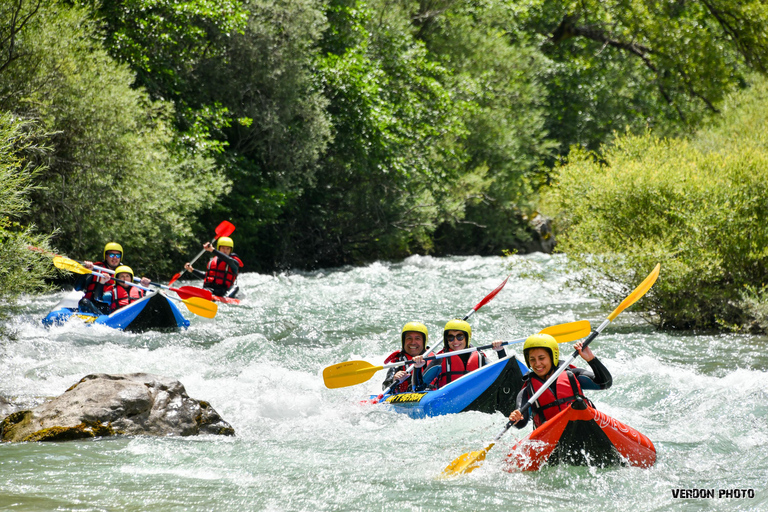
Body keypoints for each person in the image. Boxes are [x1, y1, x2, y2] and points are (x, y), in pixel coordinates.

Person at [507, 333, 612, 429]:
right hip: (553, 436)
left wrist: (591, 359)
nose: (537, 363)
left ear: (553, 357)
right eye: (532, 359)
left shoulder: (571, 375)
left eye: (541, 358)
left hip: (585, 426)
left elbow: (605, 383)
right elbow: (521, 423)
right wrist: (516, 418)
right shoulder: (527, 391)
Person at [414, 319, 505, 389]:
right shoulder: (441, 358)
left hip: (474, 397)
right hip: (448, 401)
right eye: (451, 337)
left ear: (467, 338)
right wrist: (417, 368)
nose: (455, 341)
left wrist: (500, 350)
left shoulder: (480, 356)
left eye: (460, 337)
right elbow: (419, 387)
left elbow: (502, 374)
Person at [381, 322, 435, 393]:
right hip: (404, 400)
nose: (413, 342)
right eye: (409, 338)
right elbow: (385, 386)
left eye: (417, 338)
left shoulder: (434, 359)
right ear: (404, 341)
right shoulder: (399, 361)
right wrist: (394, 380)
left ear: (424, 341)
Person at [75, 242, 124, 314]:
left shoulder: (124, 273)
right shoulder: (95, 269)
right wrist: (85, 272)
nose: (115, 258)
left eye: (117, 255)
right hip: (92, 306)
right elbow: (77, 288)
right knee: (84, 302)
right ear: (106, 256)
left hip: (112, 309)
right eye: (111, 255)